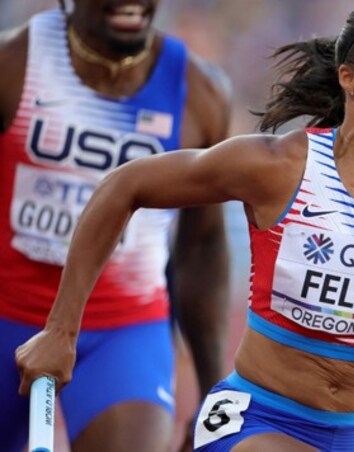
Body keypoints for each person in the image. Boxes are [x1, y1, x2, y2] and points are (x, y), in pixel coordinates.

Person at [15, 1, 354, 451]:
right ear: (348, 78)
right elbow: (123, 187)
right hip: (254, 420)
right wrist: (62, 328)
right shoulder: (280, 167)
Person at [0, 0, 231, 450]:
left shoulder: (199, 92)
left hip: (122, 329)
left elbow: (201, 249)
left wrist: (212, 394)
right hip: (6, 313)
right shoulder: (13, 66)